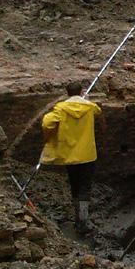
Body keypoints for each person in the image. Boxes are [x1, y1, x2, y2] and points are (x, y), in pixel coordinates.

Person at [41, 82, 101, 234]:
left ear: (67, 93)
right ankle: (82, 221)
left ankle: (78, 219)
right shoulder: (89, 106)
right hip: (87, 155)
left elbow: (47, 123)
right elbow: (98, 111)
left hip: (69, 155)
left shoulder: (61, 108)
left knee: (75, 186)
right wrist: (86, 99)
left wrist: (51, 136)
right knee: (84, 189)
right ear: (81, 92)